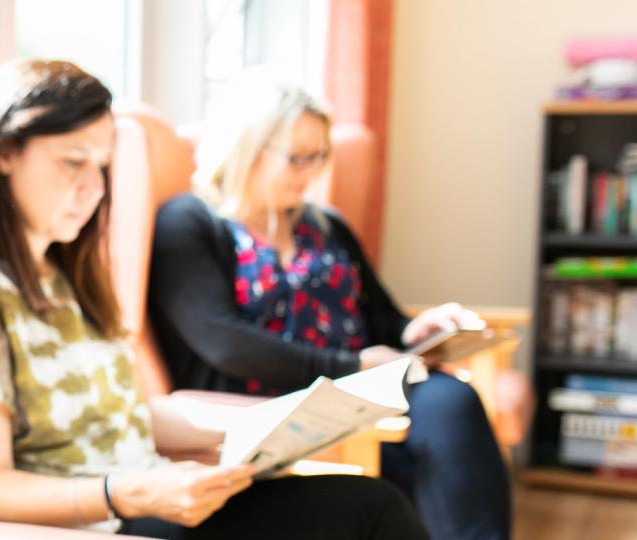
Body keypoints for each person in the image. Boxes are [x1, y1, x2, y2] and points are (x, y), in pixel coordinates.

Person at [0, 59, 429, 540]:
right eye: (71, 162)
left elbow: (122, 414)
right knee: (368, 518)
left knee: (374, 508)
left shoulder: (62, 276)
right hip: (98, 524)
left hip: (154, 503)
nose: (93, 188)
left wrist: (264, 427)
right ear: (4, 153)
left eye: (102, 167)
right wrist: (126, 491)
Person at [147, 71, 510, 539]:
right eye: (296, 158)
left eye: (319, 157)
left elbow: (381, 317)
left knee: (451, 398)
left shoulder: (326, 224)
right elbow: (223, 342)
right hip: (273, 400)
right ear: (244, 148)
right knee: (412, 466)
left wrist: (415, 330)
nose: (311, 172)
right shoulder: (189, 223)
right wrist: (352, 365)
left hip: (361, 387)